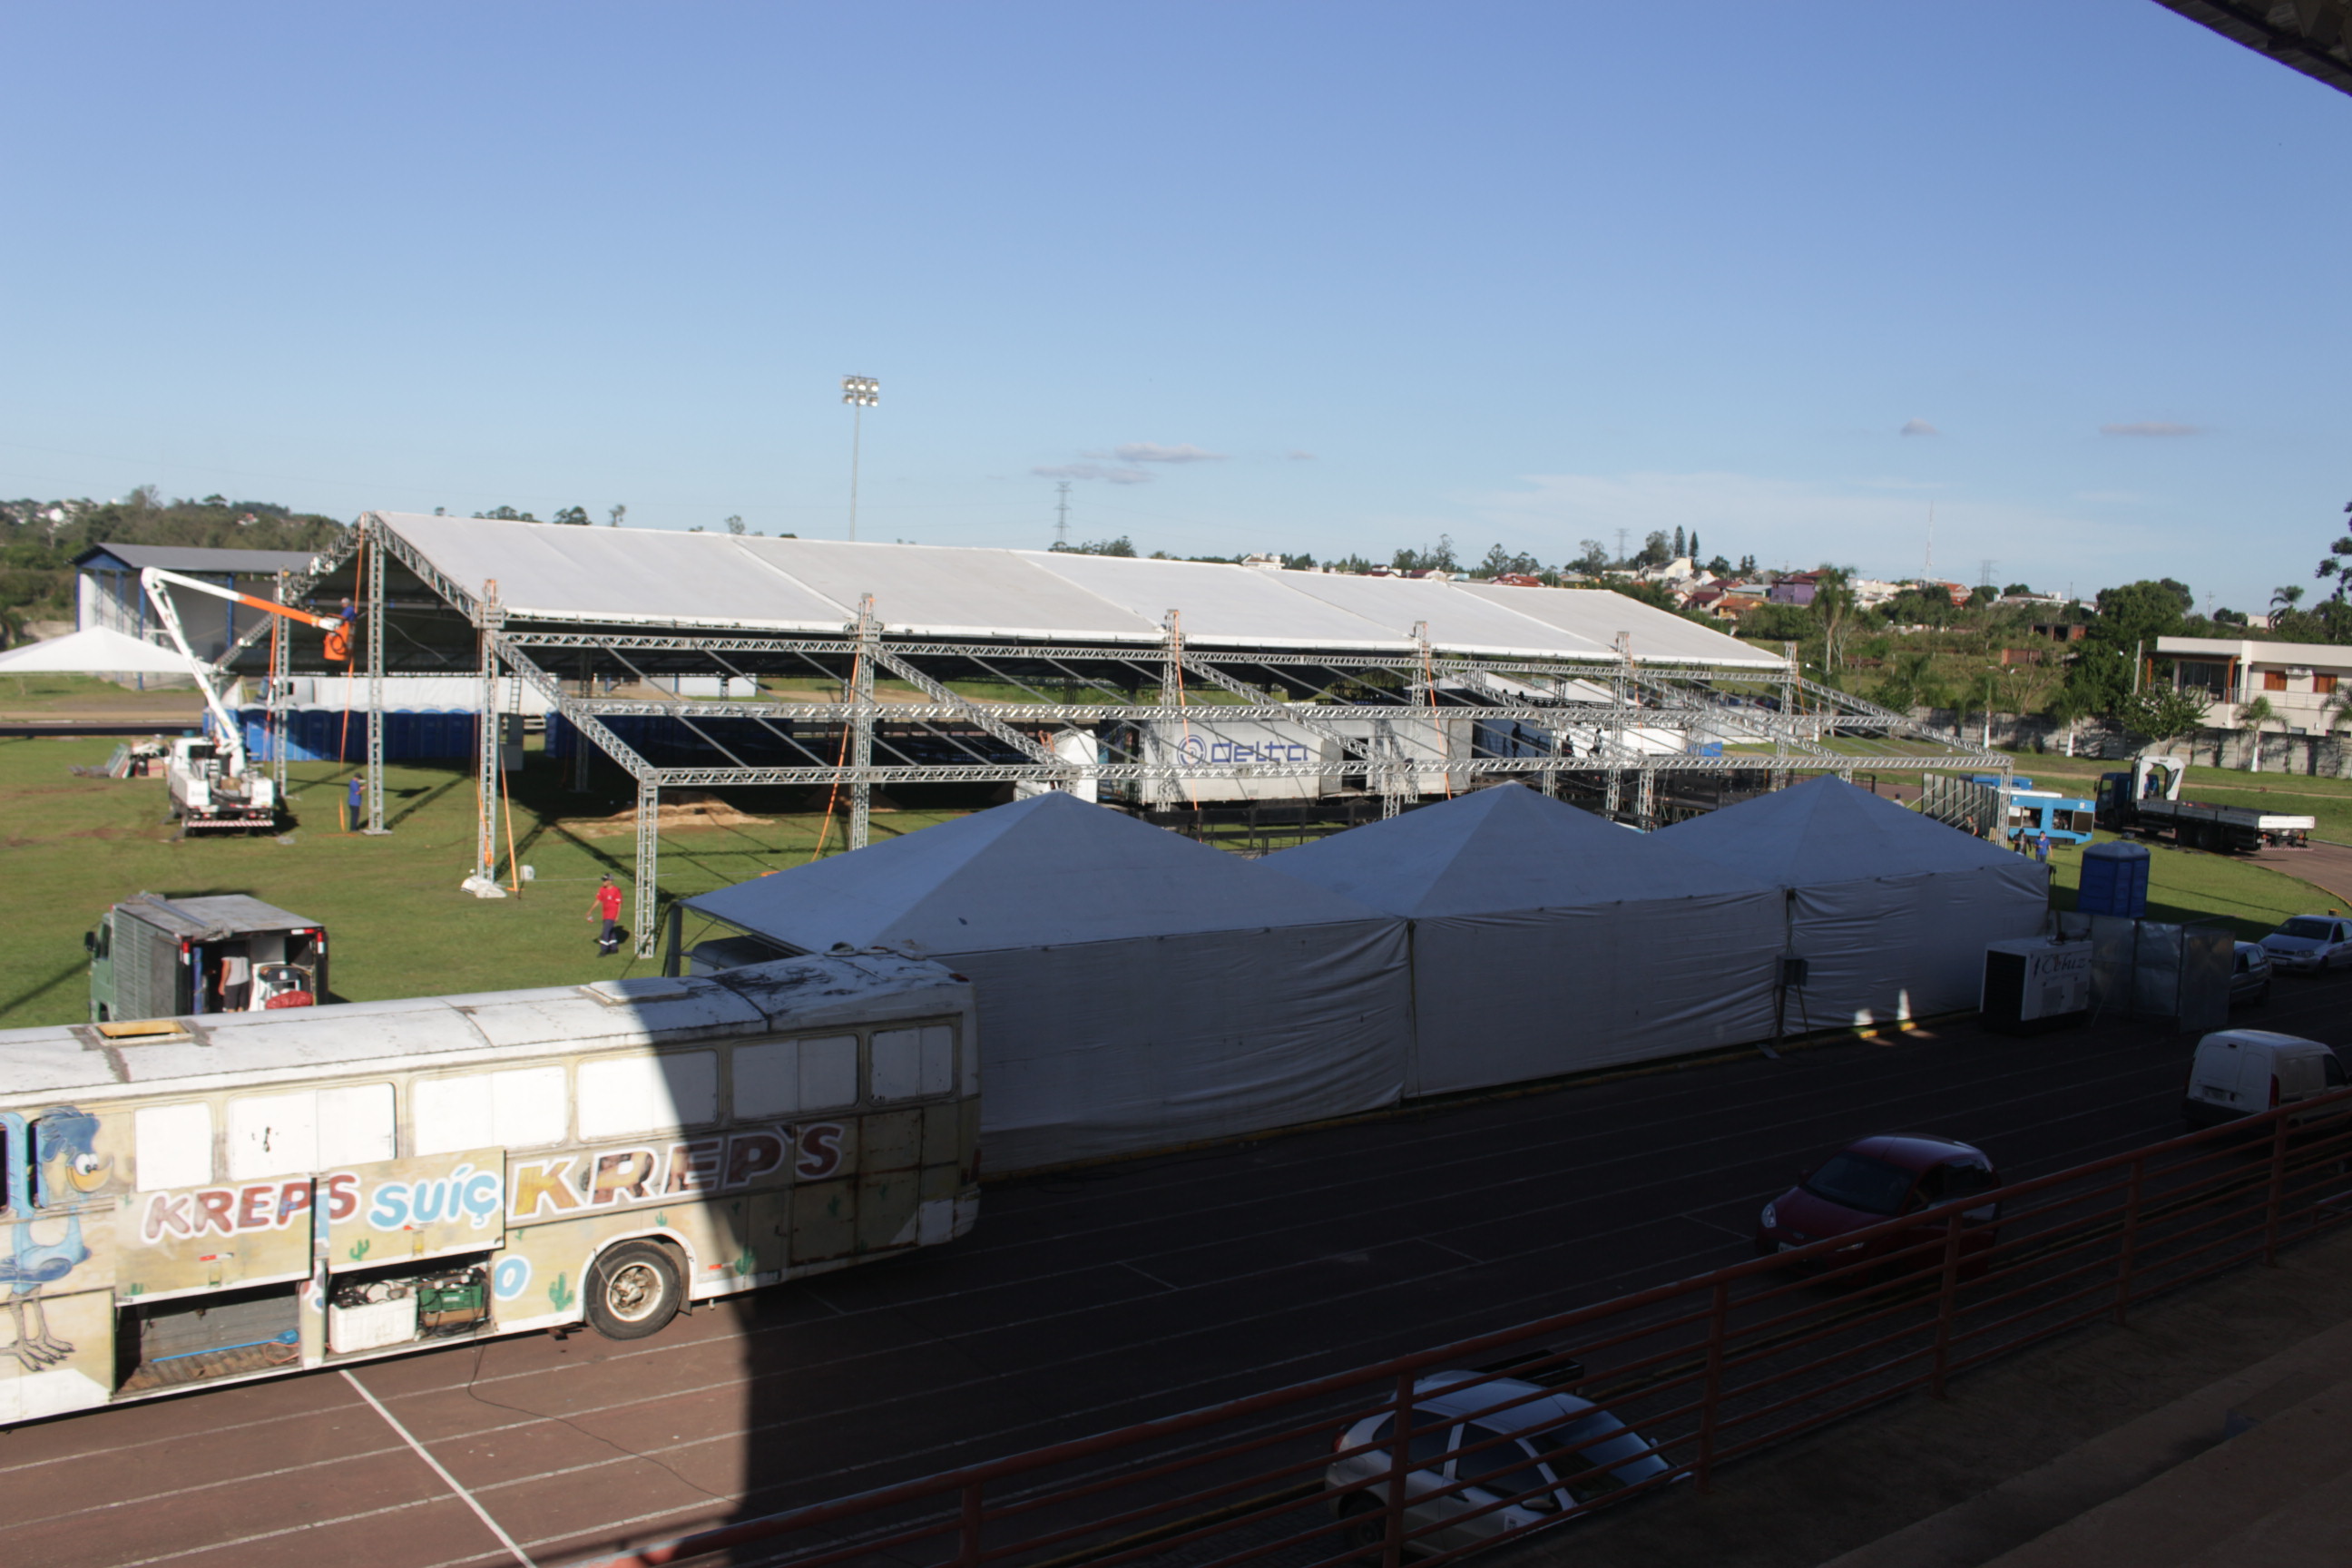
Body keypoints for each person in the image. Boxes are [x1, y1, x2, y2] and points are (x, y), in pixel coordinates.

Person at [588, 874, 624, 956]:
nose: (603, 882)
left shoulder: (616, 890)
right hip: (605, 914)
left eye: (605, 880)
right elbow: (598, 900)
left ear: (610, 881)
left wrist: (617, 916)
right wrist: (590, 910)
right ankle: (614, 948)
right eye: (603, 880)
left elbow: (619, 904)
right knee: (611, 931)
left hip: (612, 914)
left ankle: (604, 950)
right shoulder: (602, 889)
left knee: (605, 931)